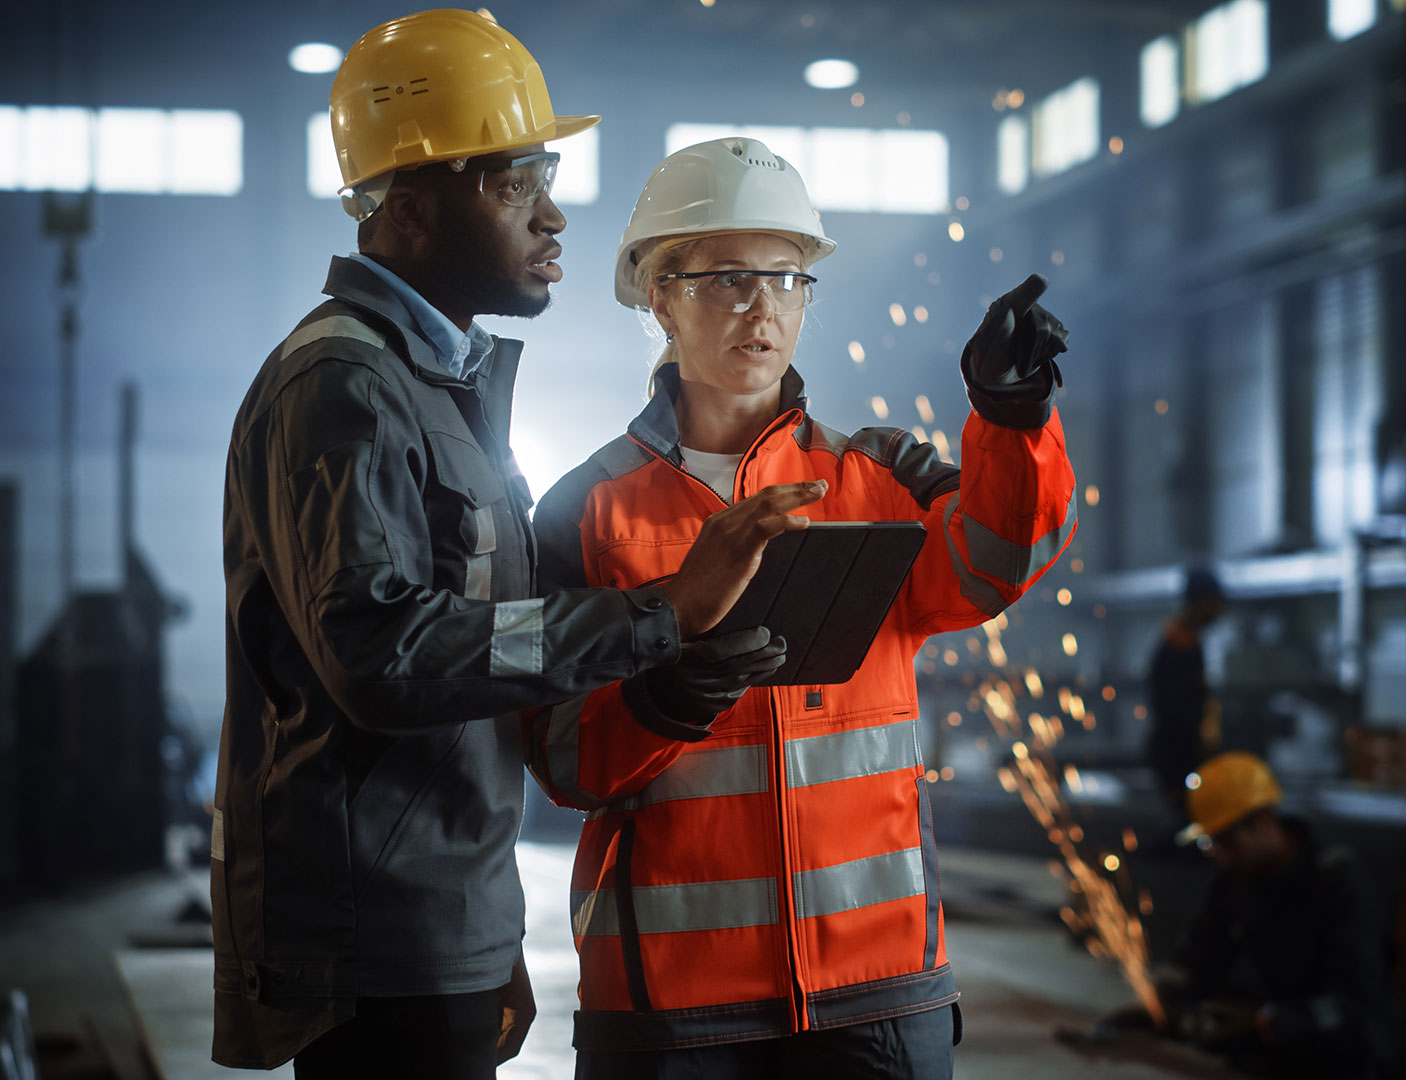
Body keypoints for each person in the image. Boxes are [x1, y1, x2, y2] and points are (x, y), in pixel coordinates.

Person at [213, 16, 818, 1076]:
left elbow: (475, 666)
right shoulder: (344, 385)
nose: (552, 213)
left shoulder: (431, 385)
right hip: (372, 939)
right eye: (512, 185)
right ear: (408, 208)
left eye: (547, 177)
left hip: (436, 913)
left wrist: (486, 929)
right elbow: (381, 657)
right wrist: (661, 614)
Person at [525, 137, 1079, 1079]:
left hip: (878, 986)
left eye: (786, 279)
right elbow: (561, 757)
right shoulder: (585, 510)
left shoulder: (877, 477)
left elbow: (996, 564)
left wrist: (1012, 415)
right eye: (728, 278)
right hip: (670, 1006)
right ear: (660, 299)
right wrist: (664, 698)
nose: (763, 307)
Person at [1157, 752, 1406, 1079]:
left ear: (1264, 821)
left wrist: (1268, 1021)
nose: (1222, 857)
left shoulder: (1337, 881)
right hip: (1289, 1055)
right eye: (1213, 844)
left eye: (1228, 843)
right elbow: (1200, 954)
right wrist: (1162, 999)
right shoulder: (1238, 879)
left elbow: (1355, 999)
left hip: (1356, 1060)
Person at [1146, 566, 1227, 821]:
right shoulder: (1178, 647)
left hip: (1182, 753)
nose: (1217, 610)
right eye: (1213, 602)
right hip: (1176, 756)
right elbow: (1174, 712)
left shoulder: (1189, 643)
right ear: (1199, 603)